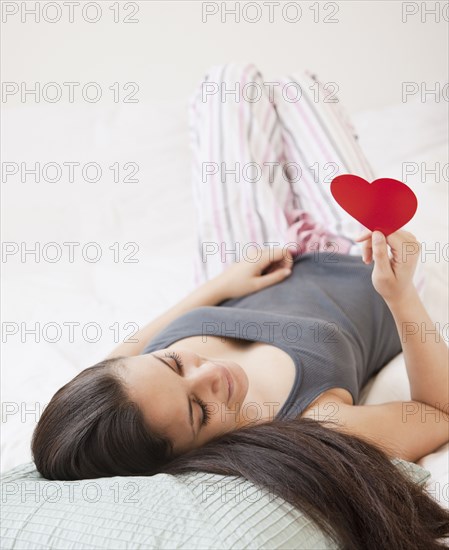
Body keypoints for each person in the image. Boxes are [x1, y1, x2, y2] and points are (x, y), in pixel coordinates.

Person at [31, 64, 449, 549]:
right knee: (299, 90)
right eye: (198, 409)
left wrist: (217, 286)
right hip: (357, 257)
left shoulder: (132, 391)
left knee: (227, 84)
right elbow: (436, 412)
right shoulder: (309, 423)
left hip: (248, 260)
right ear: (188, 459)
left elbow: (116, 360)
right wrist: (402, 296)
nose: (210, 374)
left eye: (173, 361)